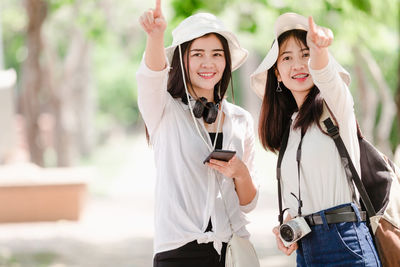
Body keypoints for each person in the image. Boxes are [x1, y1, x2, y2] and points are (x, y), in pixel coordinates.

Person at [251, 12, 381, 266]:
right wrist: (289, 222)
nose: (298, 65)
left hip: (347, 242)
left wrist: (319, 51)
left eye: (305, 54)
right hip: (307, 248)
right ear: (277, 73)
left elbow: (327, 76)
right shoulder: (289, 128)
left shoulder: (336, 106)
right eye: (287, 58)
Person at [137, 1, 258, 266]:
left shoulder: (240, 120)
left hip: (232, 252)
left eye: (217, 54)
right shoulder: (164, 111)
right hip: (178, 252)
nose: (208, 63)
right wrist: (155, 37)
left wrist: (241, 173)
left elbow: (248, 204)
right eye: (197, 54)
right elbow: (151, 77)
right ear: (182, 60)